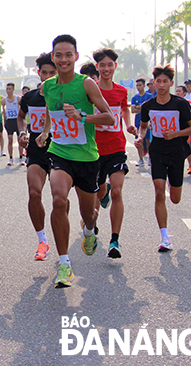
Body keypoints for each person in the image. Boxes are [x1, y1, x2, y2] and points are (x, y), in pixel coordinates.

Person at [36, 35, 114, 288]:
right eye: (58, 55)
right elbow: (51, 110)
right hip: (60, 153)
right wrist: (46, 132)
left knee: (88, 214)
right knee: (59, 199)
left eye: (68, 54)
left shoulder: (87, 84)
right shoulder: (48, 86)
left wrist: (82, 116)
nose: (63, 59)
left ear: (76, 57)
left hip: (87, 158)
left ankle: (89, 231)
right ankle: (64, 264)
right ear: (53, 57)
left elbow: (109, 118)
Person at [136, 65, 191, 252]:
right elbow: (144, 126)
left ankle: (174, 184)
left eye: (165, 81)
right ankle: (164, 237)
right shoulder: (148, 105)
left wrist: (177, 133)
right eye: (158, 81)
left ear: (171, 83)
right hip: (158, 151)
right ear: (153, 83)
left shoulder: (181, 104)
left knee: (175, 199)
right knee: (159, 192)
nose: (161, 85)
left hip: (177, 151)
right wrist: (140, 137)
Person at [92, 48, 137, 259]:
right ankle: (103, 192)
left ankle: (115, 240)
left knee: (118, 191)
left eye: (110, 65)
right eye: (102, 65)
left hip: (117, 147)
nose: (106, 68)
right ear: (97, 67)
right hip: (95, 150)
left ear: (115, 66)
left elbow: (124, 109)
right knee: (100, 193)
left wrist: (128, 125)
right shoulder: (90, 91)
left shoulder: (120, 91)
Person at [17, 53, 57, 260]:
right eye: (45, 72)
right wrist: (23, 133)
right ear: (38, 72)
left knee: (60, 201)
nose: (48, 76)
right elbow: (22, 117)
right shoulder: (30, 97)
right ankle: (42, 240)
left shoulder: (64, 95)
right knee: (34, 194)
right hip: (36, 149)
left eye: (53, 72)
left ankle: (63, 237)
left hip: (61, 150)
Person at [131, 78, 154, 166]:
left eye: (140, 85)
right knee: (139, 139)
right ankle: (140, 159)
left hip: (147, 120)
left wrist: (139, 108)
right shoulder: (134, 97)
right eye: (137, 85)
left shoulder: (149, 96)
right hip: (138, 121)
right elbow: (133, 110)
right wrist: (142, 108)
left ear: (144, 86)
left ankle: (150, 158)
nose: (138, 87)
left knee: (148, 140)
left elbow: (150, 108)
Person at [2, 83, 24, 165]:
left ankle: (21, 157)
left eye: (10, 89)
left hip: (17, 121)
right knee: (10, 139)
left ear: (13, 89)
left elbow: (21, 110)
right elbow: (4, 111)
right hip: (9, 121)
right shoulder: (4, 100)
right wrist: (4, 122)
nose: (8, 91)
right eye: (7, 89)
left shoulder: (18, 98)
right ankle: (10, 158)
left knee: (19, 140)